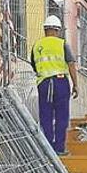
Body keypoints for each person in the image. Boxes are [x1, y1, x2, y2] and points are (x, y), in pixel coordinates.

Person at [30, 15, 79, 156]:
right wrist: (76, 85)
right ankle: (59, 148)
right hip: (60, 82)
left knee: (45, 116)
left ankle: (48, 150)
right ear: (58, 30)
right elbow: (71, 64)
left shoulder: (37, 46)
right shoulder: (62, 44)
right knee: (61, 116)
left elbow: (34, 65)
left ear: (45, 29)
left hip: (44, 84)